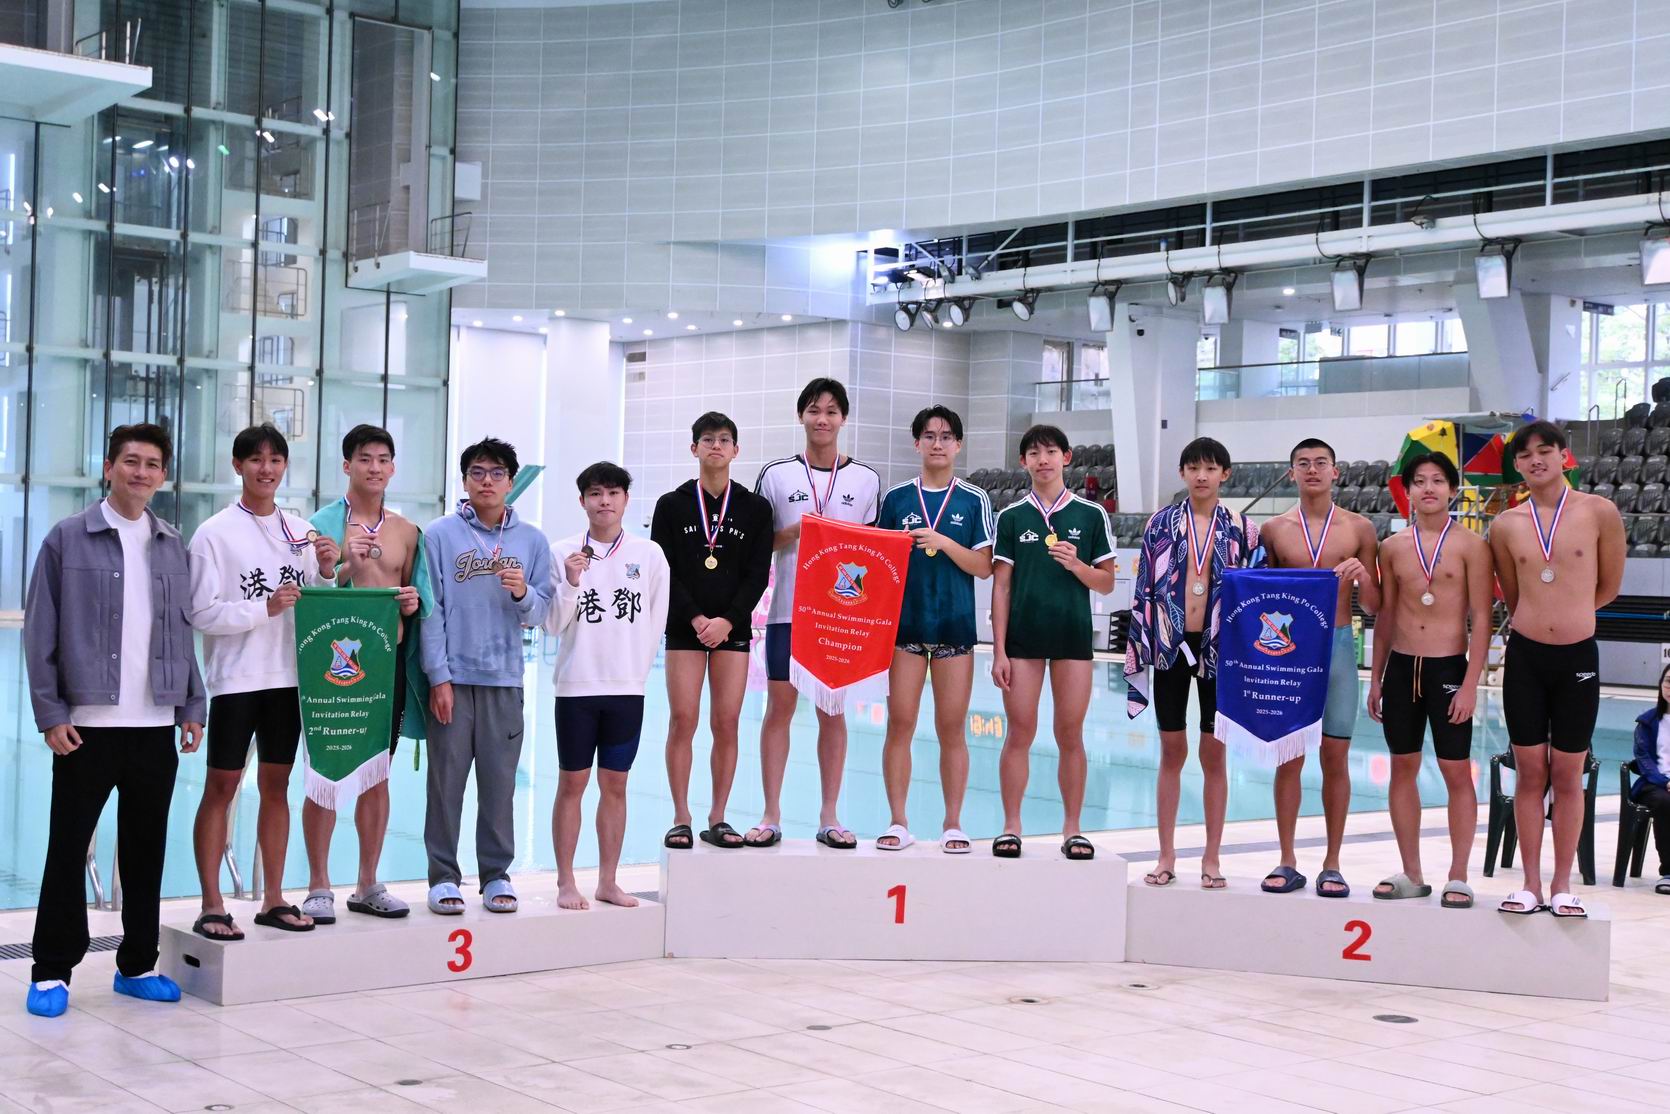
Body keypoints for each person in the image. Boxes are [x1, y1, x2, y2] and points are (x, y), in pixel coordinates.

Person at [22, 424, 206, 1017]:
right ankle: (52, 971)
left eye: (152, 464)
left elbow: (181, 633)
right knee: (67, 847)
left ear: (163, 475)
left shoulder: (171, 542)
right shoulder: (67, 538)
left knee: (146, 851)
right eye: (130, 461)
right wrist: (51, 713)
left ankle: (137, 964)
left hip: (153, 726)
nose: (141, 472)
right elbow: (39, 631)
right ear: (109, 467)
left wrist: (192, 704)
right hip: (87, 727)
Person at [188, 424, 341, 938]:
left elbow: (317, 602)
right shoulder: (213, 534)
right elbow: (201, 613)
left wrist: (325, 570)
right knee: (222, 786)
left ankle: (272, 898)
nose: (266, 468)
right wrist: (264, 608)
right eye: (255, 459)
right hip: (235, 680)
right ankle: (212, 903)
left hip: (289, 678)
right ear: (238, 466)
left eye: (275, 460)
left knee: (276, 786)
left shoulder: (300, 531)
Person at [1489, 419, 1625, 918]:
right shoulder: (1506, 524)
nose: (1536, 460)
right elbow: (1511, 591)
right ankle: (1530, 884)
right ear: (1518, 465)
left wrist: (1571, 614)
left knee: (1568, 774)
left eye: (1544, 451)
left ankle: (1563, 884)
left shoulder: (1599, 511)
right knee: (1529, 773)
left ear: (1563, 456)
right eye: (1525, 455)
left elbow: (1609, 585)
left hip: (1576, 658)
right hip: (1526, 657)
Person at [299, 424, 432, 923]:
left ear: (392, 468)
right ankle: (318, 886)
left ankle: (368, 882)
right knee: (324, 775)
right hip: (329, 671)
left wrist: (412, 603)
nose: (374, 467)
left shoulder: (406, 532)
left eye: (382, 459)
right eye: (364, 458)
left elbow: (418, 599)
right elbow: (308, 596)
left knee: (377, 774)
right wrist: (347, 569)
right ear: (347, 465)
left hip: (385, 665)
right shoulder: (319, 526)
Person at [421, 437, 554, 915]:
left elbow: (541, 613)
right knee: (446, 784)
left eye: (497, 473)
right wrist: (438, 677)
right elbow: (431, 611)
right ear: (464, 480)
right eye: (477, 472)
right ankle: (443, 877)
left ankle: (496, 874)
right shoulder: (439, 535)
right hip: (454, 680)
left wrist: (522, 593)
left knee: (499, 786)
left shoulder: (532, 541)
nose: (487, 481)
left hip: (504, 679)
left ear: (511, 482)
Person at [748, 378, 881, 849]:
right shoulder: (776, 475)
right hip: (787, 612)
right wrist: (797, 532)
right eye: (813, 410)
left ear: (843, 418)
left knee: (833, 713)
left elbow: (874, 552)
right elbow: (757, 543)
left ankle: (829, 816)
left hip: (838, 617)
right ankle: (771, 814)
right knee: (778, 710)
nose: (822, 419)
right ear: (801, 416)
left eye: (831, 411)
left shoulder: (866, 480)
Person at [1124, 437, 1261, 889]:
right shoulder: (1160, 524)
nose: (1202, 476)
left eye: (1211, 468)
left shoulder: (1244, 530)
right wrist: (1140, 646)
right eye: (1194, 467)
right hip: (1170, 644)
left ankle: (1212, 857)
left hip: (1221, 648)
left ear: (1225, 474)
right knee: (1171, 751)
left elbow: (1257, 597)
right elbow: (1144, 589)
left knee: (1214, 754)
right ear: (1182, 473)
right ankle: (1166, 854)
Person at [1366, 452, 1492, 909]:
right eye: (1419, 481)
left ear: (1453, 490)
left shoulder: (1472, 546)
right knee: (1402, 767)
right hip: (1402, 668)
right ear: (1408, 492)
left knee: (1456, 769)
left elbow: (1482, 618)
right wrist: (1375, 678)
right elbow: (1385, 616)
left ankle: (1458, 875)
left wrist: (1471, 684)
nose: (1429, 489)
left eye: (1438, 480)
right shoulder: (1392, 547)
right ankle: (1412, 873)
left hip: (1447, 668)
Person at [1257, 438, 1380, 898]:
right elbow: (1259, 597)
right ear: (1291, 473)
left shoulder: (1360, 528)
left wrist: (1362, 577)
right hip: (1289, 654)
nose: (1312, 470)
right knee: (1289, 757)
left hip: (1338, 647)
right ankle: (1287, 859)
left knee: (1335, 757)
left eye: (1320, 463)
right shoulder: (1273, 529)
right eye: (1303, 464)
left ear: (1335, 472)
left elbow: (1375, 606)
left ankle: (1332, 863)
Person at [991, 424, 1116, 860]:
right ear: (1023, 462)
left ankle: (1073, 829)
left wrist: (1077, 566)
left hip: (1072, 638)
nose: (1042, 460)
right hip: (1023, 639)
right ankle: (1011, 826)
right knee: (1019, 732)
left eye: (1050, 452)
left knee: (1070, 734)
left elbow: (1106, 583)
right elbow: (1001, 587)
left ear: (1066, 457)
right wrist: (999, 650)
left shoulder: (1090, 514)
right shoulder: (1011, 517)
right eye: (1033, 453)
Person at [547, 463, 669, 909]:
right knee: (572, 784)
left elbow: (656, 620)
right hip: (576, 688)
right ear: (582, 501)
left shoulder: (649, 554)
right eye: (596, 493)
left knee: (616, 785)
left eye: (613, 493)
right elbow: (552, 624)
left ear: (625, 500)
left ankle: (608, 882)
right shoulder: (562, 552)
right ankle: (565, 882)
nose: (604, 501)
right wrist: (572, 582)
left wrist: (634, 672)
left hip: (626, 690)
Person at [875, 406, 995, 854]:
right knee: (900, 724)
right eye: (929, 436)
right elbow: (877, 561)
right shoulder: (896, 499)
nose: (938, 443)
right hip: (904, 629)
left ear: (958, 445)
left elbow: (984, 566)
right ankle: (898, 821)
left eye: (946, 436)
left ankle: (953, 824)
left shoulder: (973, 499)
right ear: (917, 444)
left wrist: (944, 543)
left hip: (954, 628)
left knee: (951, 728)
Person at [650, 412, 772, 851]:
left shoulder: (756, 508)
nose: (715, 446)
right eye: (707, 439)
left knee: (726, 721)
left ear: (736, 450)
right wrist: (696, 618)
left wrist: (728, 620)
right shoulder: (672, 505)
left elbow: (758, 573)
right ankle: (681, 817)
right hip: (686, 627)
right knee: (683, 719)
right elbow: (664, 569)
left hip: (731, 628)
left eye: (723, 440)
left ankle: (718, 816)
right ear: (694, 448)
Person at [1629, 664, 1670, 896]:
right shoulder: (1647, 722)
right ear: (1661, 685)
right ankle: (1669, 872)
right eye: (1668, 681)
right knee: (1665, 802)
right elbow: (1643, 759)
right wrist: (1665, 782)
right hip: (1655, 785)